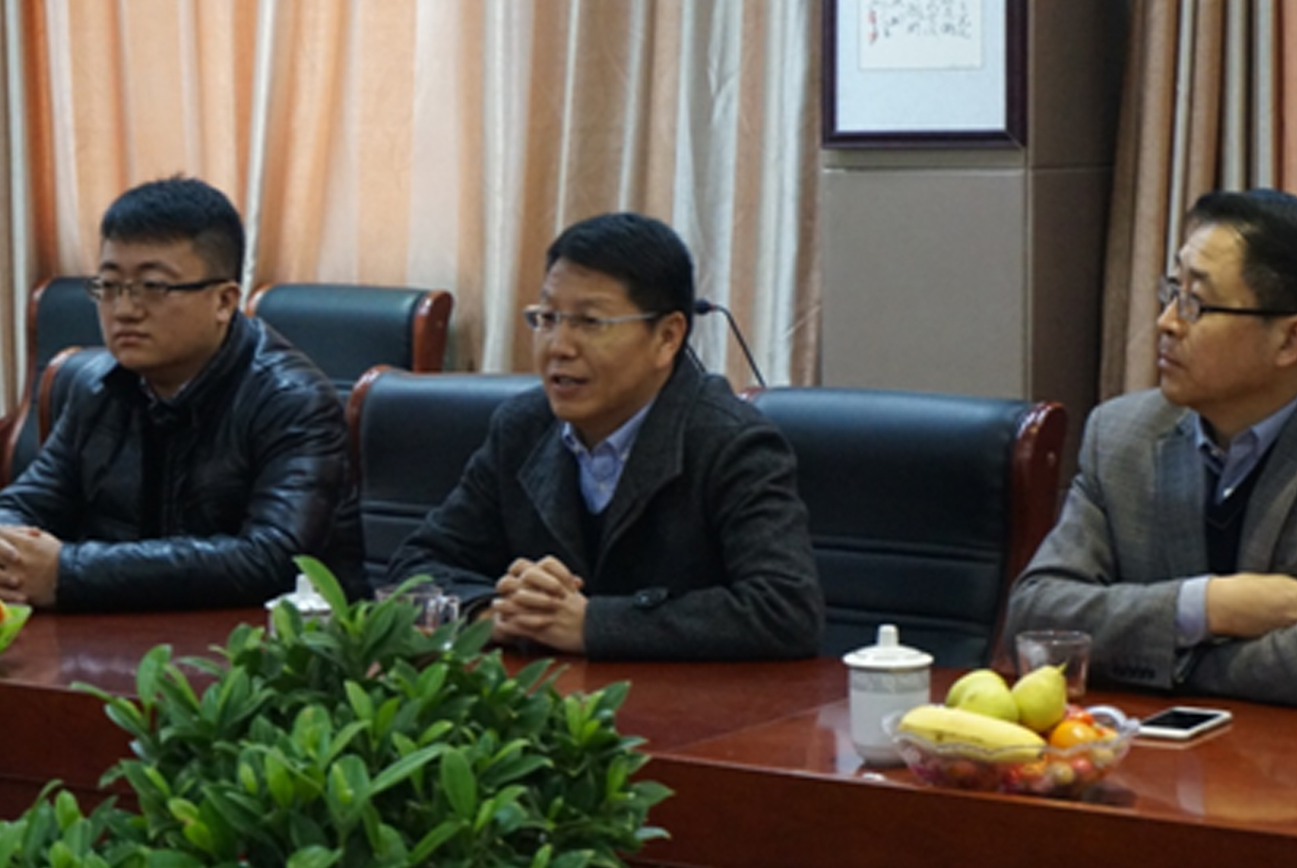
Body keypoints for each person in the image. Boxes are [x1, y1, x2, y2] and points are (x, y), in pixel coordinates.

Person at [386, 212, 824, 660]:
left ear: (667, 337)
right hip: (548, 698)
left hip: (689, 701)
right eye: (548, 318)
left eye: (590, 322)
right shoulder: (522, 428)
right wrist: (496, 614)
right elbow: (415, 568)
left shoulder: (731, 443)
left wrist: (594, 623)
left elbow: (785, 610)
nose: (559, 346)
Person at [0, 176, 363, 611]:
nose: (125, 310)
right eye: (109, 286)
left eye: (154, 287)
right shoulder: (93, 386)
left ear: (224, 301)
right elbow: (27, 505)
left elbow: (272, 559)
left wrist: (69, 572)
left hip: (267, 645)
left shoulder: (292, 400)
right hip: (119, 632)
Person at [1005, 188, 1297, 705]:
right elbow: (1035, 621)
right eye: (1173, 291)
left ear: (1288, 341)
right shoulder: (1123, 435)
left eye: (1196, 303)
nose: (1166, 322)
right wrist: (1204, 607)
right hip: (1153, 752)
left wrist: (1157, 655)